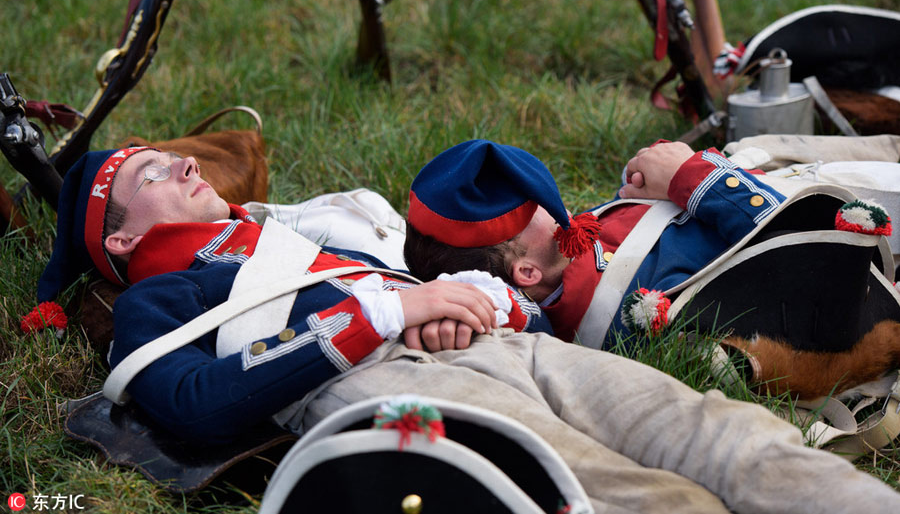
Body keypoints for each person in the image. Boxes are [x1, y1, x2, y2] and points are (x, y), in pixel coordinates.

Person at [36, 146, 900, 513]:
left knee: (724, 433)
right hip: (374, 385)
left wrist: (466, 299)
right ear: (118, 239)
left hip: (502, 345)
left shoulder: (298, 225)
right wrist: (384, 312)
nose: (185, 160)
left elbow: (414, 279)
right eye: (150, 170)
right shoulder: (156, 299)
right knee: (634, 495)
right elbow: (194, 405)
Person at [402, 139, 900, 398]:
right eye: (532, 211)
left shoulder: (580, 260)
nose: (556, 211)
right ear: (527, 273)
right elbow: (804, 252)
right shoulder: (633, 311)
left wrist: (649, 184)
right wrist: (693, 177)